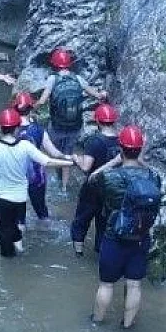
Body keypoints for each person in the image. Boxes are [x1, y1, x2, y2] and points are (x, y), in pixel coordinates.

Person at [91, 125, 161, 328]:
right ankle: (127, 326)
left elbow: (92, 179)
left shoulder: (110, 177)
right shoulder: (153, 177)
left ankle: (97, 322)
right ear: (140, 149)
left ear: (120, 149)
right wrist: (141, 159)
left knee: (106, 284)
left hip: (114, 236)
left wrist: (112, 163)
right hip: (141, 237)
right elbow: (151, 177)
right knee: (134, 284)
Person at [0, 107, 75, 258]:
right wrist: (70, 163)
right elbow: (47, 161)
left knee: (3, 230)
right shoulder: (25, 146)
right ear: (17, 127)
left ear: (1, 127)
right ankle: (19, 249)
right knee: (18, 225)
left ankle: (9, 261)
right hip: (19, 198)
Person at [36, 48, 107, 190]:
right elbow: (97, 95)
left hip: (56, 126)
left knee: (52, 150)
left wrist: (32, 106)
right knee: (68, 152)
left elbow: (43, 101)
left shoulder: (52, 79)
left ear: (54, 65)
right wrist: (103, 94)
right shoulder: (78, 79)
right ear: (69, 64)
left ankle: (49, 181)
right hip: (75, 126)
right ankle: (64, 187)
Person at [69, 102, 122, 256]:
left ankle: (78, 252)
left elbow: (86, 167)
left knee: (82, 219)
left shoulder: (95, 141)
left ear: (97, 121)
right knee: (103, 223)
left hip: (92, 188)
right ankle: (100, 253)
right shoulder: (120, 141)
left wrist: (76, 159)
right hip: (112, 190)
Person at [11, 93, 63, 226]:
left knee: (17, 215)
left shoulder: (10, 130)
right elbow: (54, 153)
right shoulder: (39, 130)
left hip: (17, 176)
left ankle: (19, 242)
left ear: (15, 109)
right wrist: (69, 157)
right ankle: (47, 230)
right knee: (41, 211)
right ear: (31, 109)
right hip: (37, 176)